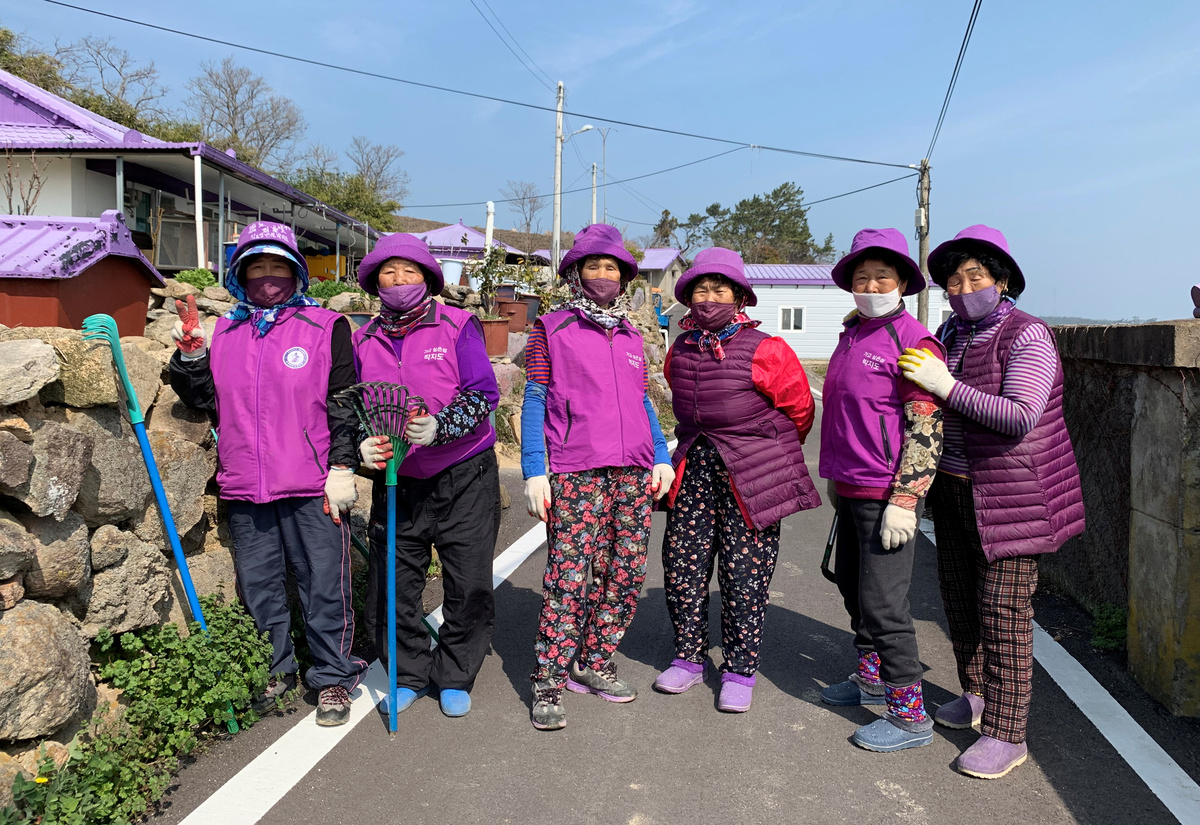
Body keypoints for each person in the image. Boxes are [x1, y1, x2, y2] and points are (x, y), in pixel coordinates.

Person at [899, 224, 1084, 779]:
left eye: (975, 277)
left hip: (1013, 497)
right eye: (953, 281)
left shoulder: (1028, 335)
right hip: (955, 488)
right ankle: (977, 693)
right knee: (960, 599)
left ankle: (1007, 733)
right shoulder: (950, 333)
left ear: (1002, 281)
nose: (962, 289)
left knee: (1004, 612)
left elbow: (1019, 416)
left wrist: (945, 385)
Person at [169, 220, 368, 727]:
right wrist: (191, 357)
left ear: (296, 271)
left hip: (312, 483)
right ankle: (275, 671)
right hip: (245, 483)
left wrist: (342, 466)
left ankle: (333, 676)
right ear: (239, 275)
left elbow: (345, 403)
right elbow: (205, 399)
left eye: (277, 265)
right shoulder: (225, 332)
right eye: (256, 266)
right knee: (259, 586)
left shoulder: (326, 327)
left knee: (324, 584)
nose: (267, 276)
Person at [520, 223, 674, 731]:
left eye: (612, 267)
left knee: (624, 573)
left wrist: (659, 454)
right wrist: (535, 469)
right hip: (576, 469)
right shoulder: (552, 328)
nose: (604, 274)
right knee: (568, 578)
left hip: (632, 471)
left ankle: (594, 661)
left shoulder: (631, 332)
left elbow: (642, 399)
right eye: (594, 266)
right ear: (576, 272)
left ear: (624, 276)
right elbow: (535, 396)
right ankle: (548, 681)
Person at [655, 248, 820, 712]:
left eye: (719, 290)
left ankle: (740, 670)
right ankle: (688, 658)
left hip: (752, 472)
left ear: (739, 297)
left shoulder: (767, 348)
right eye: (700, 291)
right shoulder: (681, 347)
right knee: (683, 566)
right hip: (695, 466)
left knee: (744, 574)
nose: (708, 299)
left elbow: (800, 409)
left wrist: (767, 449)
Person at [351, 233, 501, 719]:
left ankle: (455, 674)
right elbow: (351, 406)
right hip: (398, 478)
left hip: (464, 473)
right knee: (392, 585)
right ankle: (408, 674)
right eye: (389, 273)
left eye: (409, 271)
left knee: (468, 582)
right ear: (376, 282)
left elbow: (482, 394)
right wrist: (361, 443)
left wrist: (441, 426)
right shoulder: (362, 338)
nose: (399, 280)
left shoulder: (457, 324)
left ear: (428, 277)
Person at [818, 227, 946, 752]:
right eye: (862, 277)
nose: (871, 286)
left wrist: (906, 499)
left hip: (885, 492)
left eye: (882, 277)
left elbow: (926, 427)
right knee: (852, 586)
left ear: (903, 283)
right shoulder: (853, 333)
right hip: (850, 486)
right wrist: (835, 480)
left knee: (885, 604)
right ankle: (871, 678)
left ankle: (910, 715)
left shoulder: (913, 341)